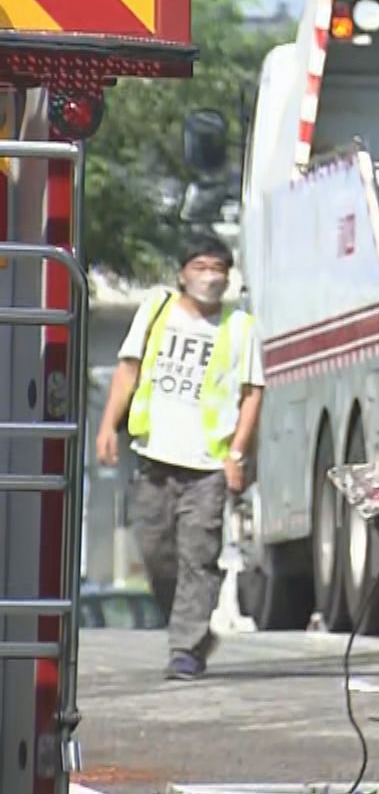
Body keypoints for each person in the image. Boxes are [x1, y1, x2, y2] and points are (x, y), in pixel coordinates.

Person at [96, 234, 264, 681]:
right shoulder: (155, 310)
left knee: (198, 555)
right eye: (202, 267)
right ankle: (189, 624)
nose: (210, 277)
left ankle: (185, 648)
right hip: (155, 456)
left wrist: (237, 454)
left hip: (207, 466)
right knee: (155, 554)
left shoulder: (240, 327)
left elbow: (252, 395)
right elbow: (128, 369)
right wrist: (108, 426)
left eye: (219, 270)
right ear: (183, 273)